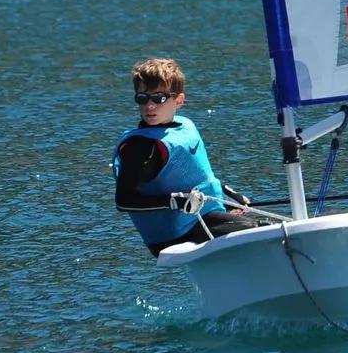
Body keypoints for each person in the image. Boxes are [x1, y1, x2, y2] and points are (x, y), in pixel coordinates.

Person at [113, 57, 264, 255]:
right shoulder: (140, 147)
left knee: (271, 223)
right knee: (262, 229)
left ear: (179, 101)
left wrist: (229, 194)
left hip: (206, 216)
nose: (149, 106)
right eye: (142, 98)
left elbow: (196, 174)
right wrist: (174, 201)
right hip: (177, 234)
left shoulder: (184, 126)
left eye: (158, 98)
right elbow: (124, 200)